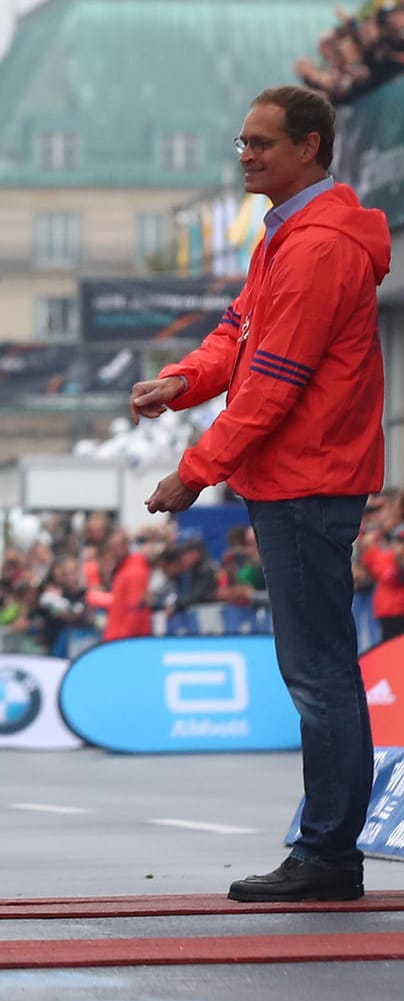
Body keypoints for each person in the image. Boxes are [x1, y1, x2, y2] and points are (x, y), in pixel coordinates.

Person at [133, 85, 391, 903]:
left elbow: (275, 381)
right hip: (295, 478)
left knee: (319, 676)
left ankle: (326, 855)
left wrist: (193, 471)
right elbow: (236, 334)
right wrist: (180, 382)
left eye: (261, 144)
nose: (244, 154)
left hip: (308, 478)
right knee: (319, 672)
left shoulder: (317, 247)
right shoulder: (291, 237)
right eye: (242, 142)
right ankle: (327, 848)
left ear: (311, 147)